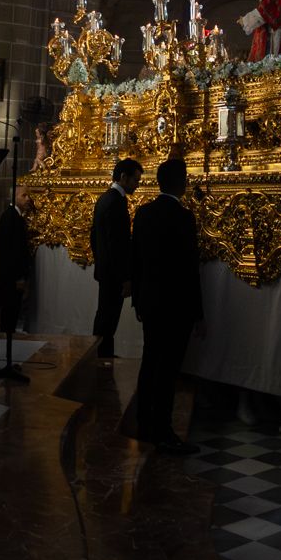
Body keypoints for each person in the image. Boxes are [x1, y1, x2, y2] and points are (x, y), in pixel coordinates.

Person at [131, 156, 204, 454]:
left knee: (150, 362)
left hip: (150, 304)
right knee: (169, 369)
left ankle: (143, 423)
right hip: (176, 308)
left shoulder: (143, 213)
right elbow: (189, 269)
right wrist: (198, 313)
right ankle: (163, 430)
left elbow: (135, 260)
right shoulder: (183, 217)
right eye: (185, 177)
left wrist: (138, 299)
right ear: (180, 182)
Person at [92, 158, 142, 360]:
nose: (138, 184)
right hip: (114, 274)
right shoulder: (116, 202)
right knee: (108, 319)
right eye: (135, 180)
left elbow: (94, 237)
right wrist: (125, 278)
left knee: (104, 317)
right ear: (123, 177)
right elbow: (117, 245)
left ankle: (101, 356)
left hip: (105, 270)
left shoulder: (105, 199)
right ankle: (102, 358)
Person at [0, 180, 34, 334]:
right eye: (24, 195)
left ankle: (8, 335)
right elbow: (10, 250)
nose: (28, 199)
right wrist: (18, 276)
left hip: (10, 273)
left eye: (28, 195)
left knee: (12, 309)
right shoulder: (11, 218)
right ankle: (7, 337)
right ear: (14, 197)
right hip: (11, 275)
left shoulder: (13, 216)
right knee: (10, 308)